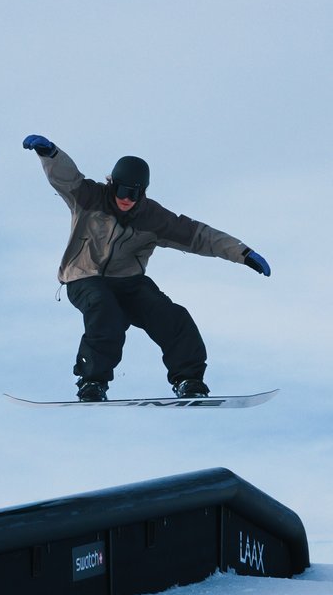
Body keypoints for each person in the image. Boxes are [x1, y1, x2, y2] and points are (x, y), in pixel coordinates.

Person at [23, 134, 271, 402]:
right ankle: (92, 381)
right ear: (111, 184)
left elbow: (201, 236)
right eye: (121, 191)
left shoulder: (153, 218)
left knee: (172, 317)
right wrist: (50, 154)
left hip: (129, 282)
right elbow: (66, 177)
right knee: (105, 314)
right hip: (84, 277)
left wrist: (243, 253)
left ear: (143, 192)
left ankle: (188, 379)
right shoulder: (89, 197)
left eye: (134, 193)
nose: (126, 199)